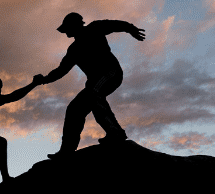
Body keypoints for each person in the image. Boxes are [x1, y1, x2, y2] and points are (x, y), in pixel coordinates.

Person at [35, 12, 145, 159]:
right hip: (95, 81)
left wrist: (131, 29)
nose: (65, 32)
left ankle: (115, 132)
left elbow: (115, 24)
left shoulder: (95, 28)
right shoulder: (73, 50)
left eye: (67, 28)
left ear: (75, 25)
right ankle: (67, 150)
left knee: (93, 93)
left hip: (111, 73)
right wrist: (44, 79)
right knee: (74, 109)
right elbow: (61, 70)